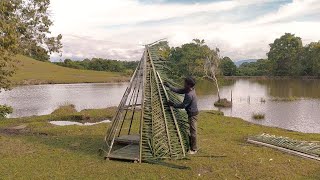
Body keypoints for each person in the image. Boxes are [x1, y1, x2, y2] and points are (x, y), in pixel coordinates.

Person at [164, 77, 199, 155]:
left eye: (185, 83)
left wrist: (173, 104)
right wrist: (169, 86)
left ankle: (194, 149)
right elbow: (179, 90)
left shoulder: (189, 94)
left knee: (193, 132)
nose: (184, 84)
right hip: (191, 113)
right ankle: (192, 145)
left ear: (189, 85)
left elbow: (183, 105)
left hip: (192, 115)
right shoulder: (190, 89)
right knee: (191, 130)